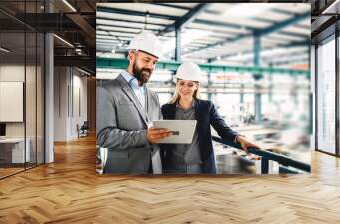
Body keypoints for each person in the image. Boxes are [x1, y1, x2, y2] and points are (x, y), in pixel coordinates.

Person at [161, 62, 260, 174]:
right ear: (177, 84)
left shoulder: (206, 107)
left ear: (196, 86)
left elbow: (222, 128)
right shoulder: (166, 109)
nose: (185, 88)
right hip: (171, 168)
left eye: (190, 84)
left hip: (198, 169)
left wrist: (240, 138)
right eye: (182, 83)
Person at [96, 32, 171, 174]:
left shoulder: (153, 95)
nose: (150, 66)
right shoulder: (107, 91)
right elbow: (103, 136)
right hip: (125, 171)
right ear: (131, 56)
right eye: (146, 60)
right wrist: (145, 136)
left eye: (154, 62)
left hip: (155, 170)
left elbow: (157, 128)